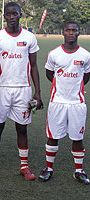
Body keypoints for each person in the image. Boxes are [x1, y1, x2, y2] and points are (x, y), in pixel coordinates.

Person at [0, 2, 43, 181]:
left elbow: (33, 65)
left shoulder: (29, 37)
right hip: (1, 89)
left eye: (14, 14)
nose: (11, 17)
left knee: (22, 129)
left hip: (23, 89)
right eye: (8, 14)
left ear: (19, 15)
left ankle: (24, 166)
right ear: (4, 16)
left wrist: (37, 92)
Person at [39, 21, 90, 184]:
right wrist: (60, 86)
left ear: (78, 33)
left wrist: (76, 88)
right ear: (63, 32)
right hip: (57, 102)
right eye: (68, 30)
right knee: (53, 136)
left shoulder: (85, 55)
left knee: (77, 137)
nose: (71, 33)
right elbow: (49, 73)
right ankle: (49, 169)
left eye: (74, 30)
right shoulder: (54, 54)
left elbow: (86, 76)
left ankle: (79, 171)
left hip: (77, 103)